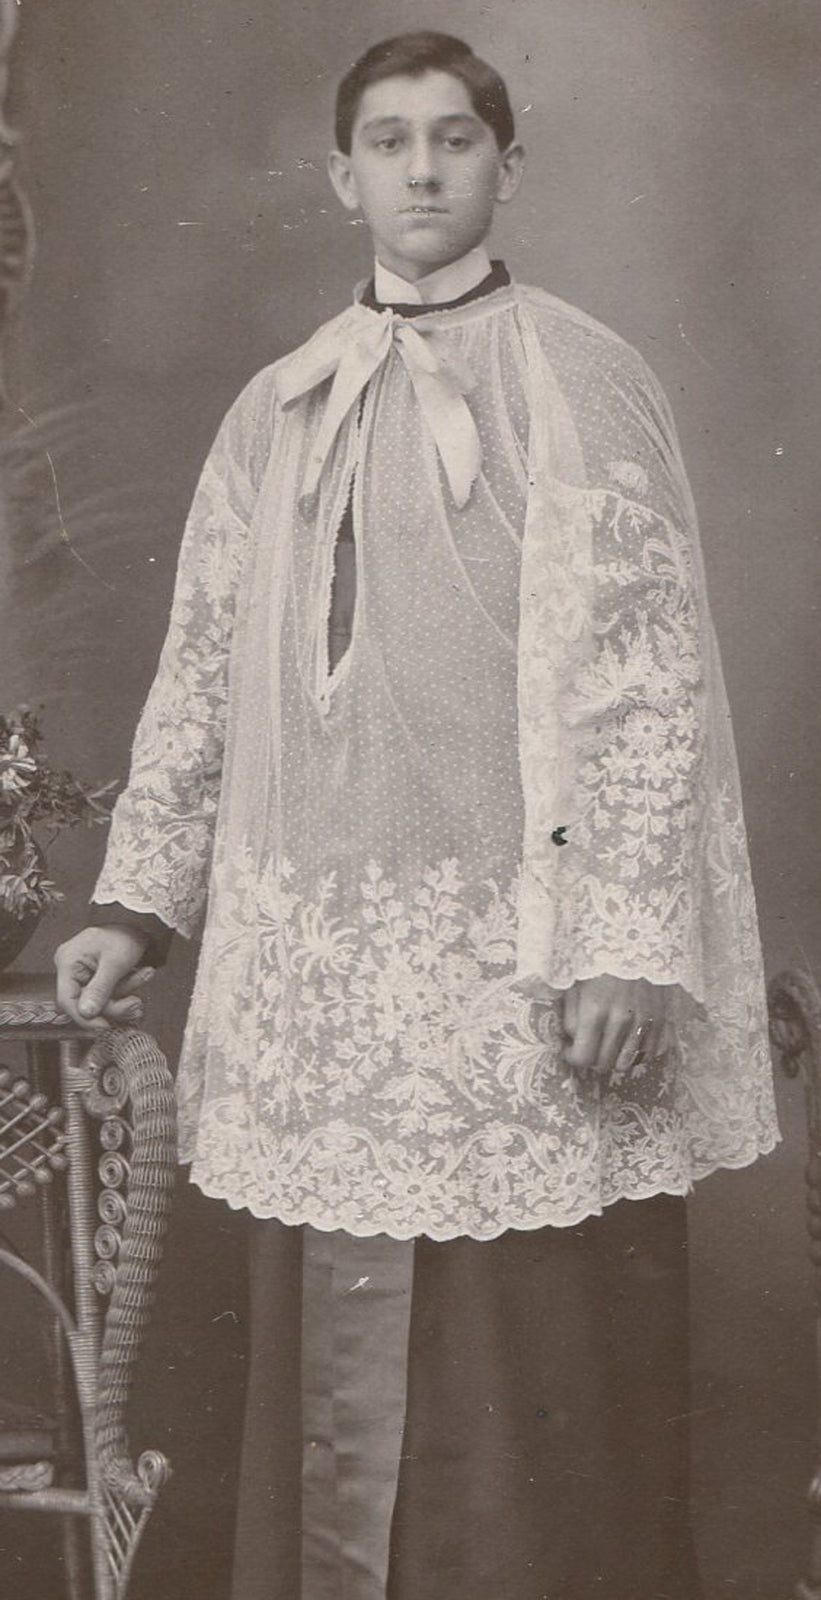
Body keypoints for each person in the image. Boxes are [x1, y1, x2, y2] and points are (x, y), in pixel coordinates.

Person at [54, 30, 779, 1600]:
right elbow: (201, 673)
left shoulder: (578, 378)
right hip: (329, 983)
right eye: (389, 142)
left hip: (523, 969)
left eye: (456, 139)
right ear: (342, 178)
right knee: (335, 1365)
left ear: (507, 166)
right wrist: (135, 905)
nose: (424, 169)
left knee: (527, 1382)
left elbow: (640, 681)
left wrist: (626, 945)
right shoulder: (275, 409)